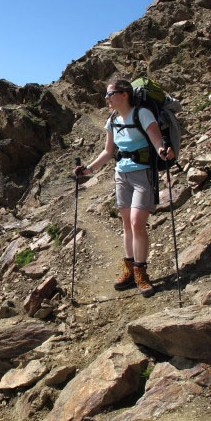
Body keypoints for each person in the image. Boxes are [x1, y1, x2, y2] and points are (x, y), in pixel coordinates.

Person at [76, 79, 173, 297]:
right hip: (122, 174)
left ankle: (141, 271)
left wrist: (163, 152)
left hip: (143, 174)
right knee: (127, 225)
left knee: (137, 223)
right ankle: (130, 270)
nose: (106, 98)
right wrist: (88, 169)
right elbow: (108, 151)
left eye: (110, 94)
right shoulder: (112, 119)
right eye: (106, 94)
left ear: (124, 94)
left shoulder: (142, 114)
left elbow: (157, 141)